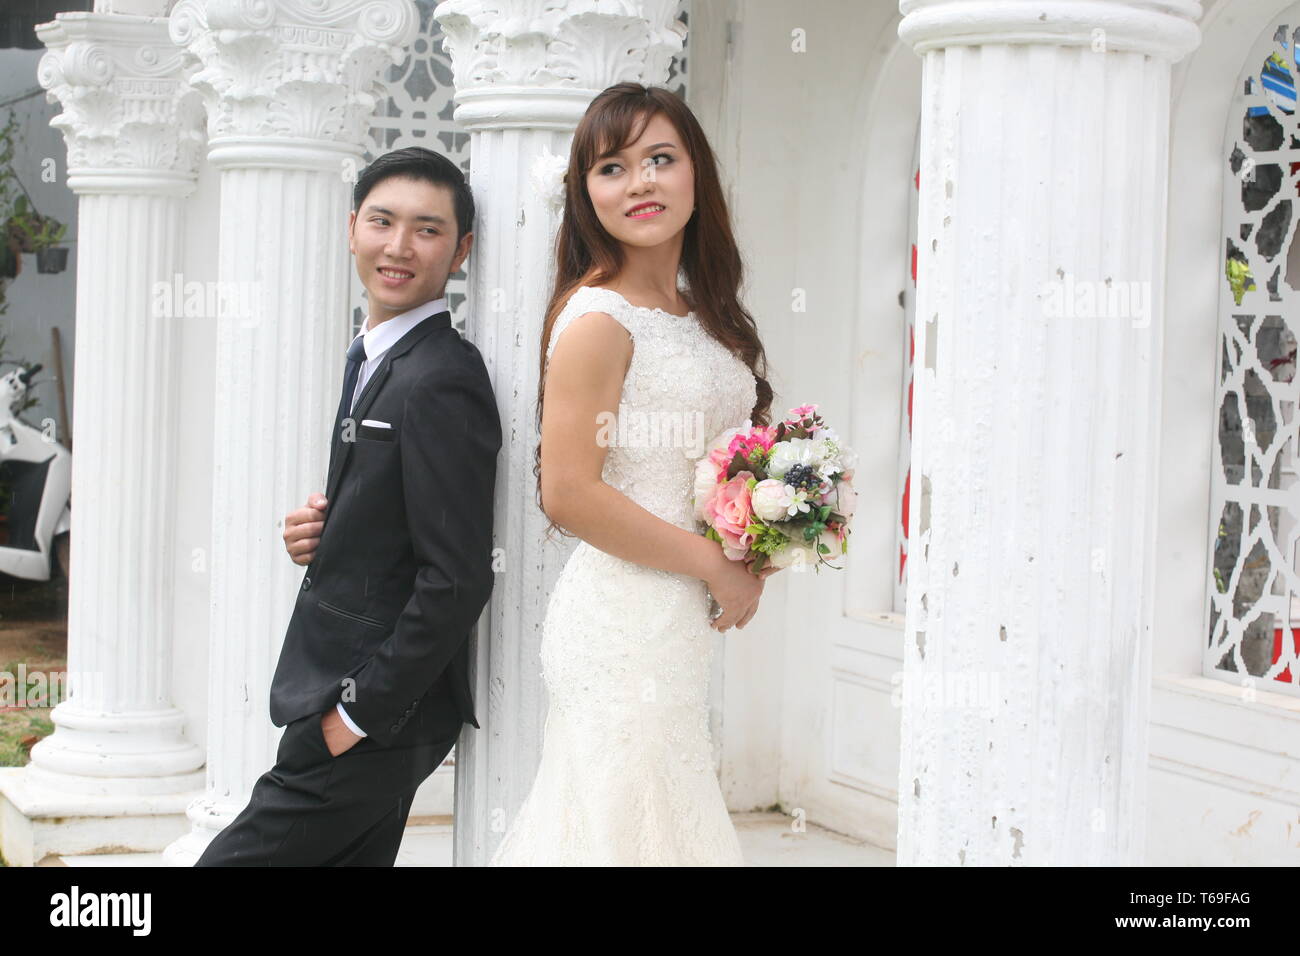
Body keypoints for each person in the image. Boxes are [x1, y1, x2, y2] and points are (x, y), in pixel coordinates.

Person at [489, 83, 778, 866]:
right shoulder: (597, 322)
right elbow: (570, 493)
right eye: (613, 168)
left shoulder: (702, 314)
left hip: (678, 618)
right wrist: (714, 566)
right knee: (622, 824)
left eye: (661, 159)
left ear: (696, 175)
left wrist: (763, 530)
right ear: (587, 195)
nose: (642, 182)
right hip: (620, 616)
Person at [195, 147, 501, 866]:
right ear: (351, 227)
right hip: (346, 694)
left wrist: (357, 713)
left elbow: (456, 575)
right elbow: (403, 521)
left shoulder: (440, 377)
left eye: (427, 230)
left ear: (461, 251)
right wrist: (330, 534)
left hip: (371, 708)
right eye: (382, 221)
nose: (398, 246)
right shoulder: (374, 355)